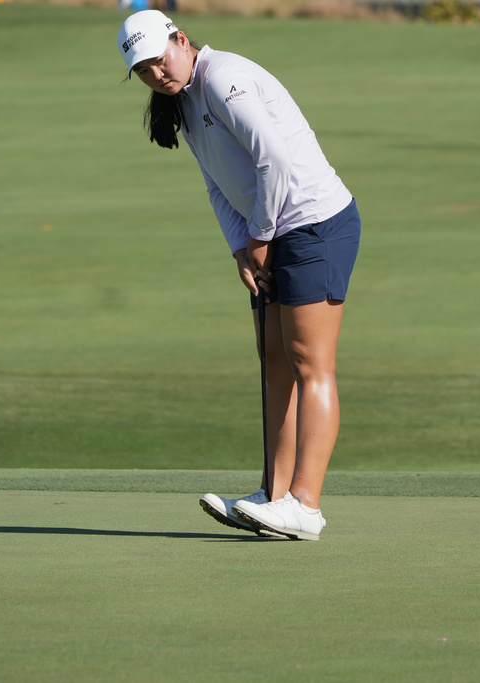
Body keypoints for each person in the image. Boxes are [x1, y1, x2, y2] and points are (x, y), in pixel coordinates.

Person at [117, 11, 360, 541]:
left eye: (161, 59)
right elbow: (216, 182)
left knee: (309, 363)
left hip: (315, 225)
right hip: (270, 232)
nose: (157, 74)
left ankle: (305, 506)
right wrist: (240, 249)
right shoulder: (181, 102)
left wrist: (260, 237)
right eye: (144, 70)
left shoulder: (222, 78)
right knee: (273, 359)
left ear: (181, 40)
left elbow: (272, 157)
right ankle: (273, 496)